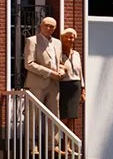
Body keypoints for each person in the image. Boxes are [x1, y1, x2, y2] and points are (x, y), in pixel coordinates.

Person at [22, 16, 65, 150]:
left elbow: (60, 62)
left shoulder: (57, 43)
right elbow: (29, 64)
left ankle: (53, 145)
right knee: (33, 115)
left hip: (54, 84)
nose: (49, 28)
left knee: (54, 115)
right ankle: (31, 146)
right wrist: (49, 72)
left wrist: (62, 70)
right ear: (40, 26)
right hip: (37, 83)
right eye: (46, 25)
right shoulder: (32, 41)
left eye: (52, 26)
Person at [55, 25, 85, 127]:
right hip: (63, 86)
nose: (69, 39)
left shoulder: (76, 54)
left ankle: (68, 142)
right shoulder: (58, 54)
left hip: (75, 86)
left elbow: (80, 72)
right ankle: (61, 139)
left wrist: (83, 89)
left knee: (72, 115)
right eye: (66, 37)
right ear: (62, 39)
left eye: (71, 37)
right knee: (63, 115)